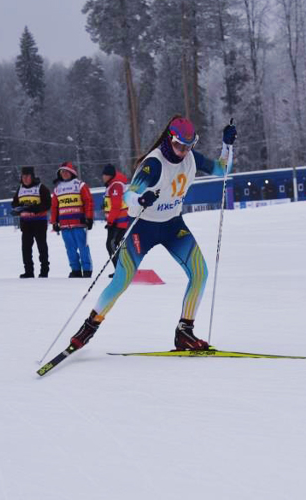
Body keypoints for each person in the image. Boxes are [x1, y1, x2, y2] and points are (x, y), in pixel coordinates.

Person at [65, 115, 237, 352]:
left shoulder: (190, 158)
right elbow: (128, 197)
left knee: (200, 273)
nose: (183, 152)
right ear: (169, 139)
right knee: (122, 280)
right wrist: (142, 198)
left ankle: (184, 332)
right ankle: (89, 327)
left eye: (189, 146)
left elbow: (222, 170)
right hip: (144, 228)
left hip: (172, 225)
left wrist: (227, 146)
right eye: (179, 145)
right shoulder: (153, 164)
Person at [50, 162, 94, 278]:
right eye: (62, 172)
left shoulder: (80, 185)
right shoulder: (57, 189)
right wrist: (54, 222)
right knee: (70, 249)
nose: (64, 174)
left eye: (66, 171)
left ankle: (87, 270)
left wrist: (89, 218)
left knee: (83, 247)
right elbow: (54, 207)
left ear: (72, 172)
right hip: (64, 225)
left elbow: (88, 201)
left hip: (79, 223)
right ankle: (75, 270)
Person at [11, 166, 52, 278]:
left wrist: (33, 209)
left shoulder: (41, 187)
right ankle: (28, 271)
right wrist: (18, 210)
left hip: (39, 222)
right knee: (26, 248)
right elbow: (14, 203)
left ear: (32, 176)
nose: (25, 178)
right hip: (26, 224)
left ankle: (44, 271)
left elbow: (47, 203)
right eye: (23, 176)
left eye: (27, 176)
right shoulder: (20, 189)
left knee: (42, 247)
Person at [101, 163, 129, 278]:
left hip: (119, 222)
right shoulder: (112, 185)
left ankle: (120, 271)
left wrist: (110, 221)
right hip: (117, 221)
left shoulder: (115, 186)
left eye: (105, 175)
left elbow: (116, 206)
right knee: (115, 244)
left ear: (110, 175)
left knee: (111, 244)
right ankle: (121, 269)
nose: (103, 177)